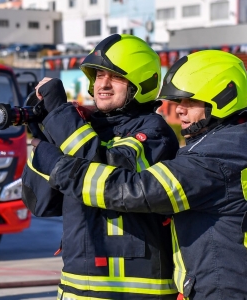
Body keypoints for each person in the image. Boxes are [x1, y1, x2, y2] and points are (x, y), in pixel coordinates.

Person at [31, 50, 247, 299]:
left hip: (230, 291)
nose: (179, 109)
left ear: (224, 98)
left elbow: (129, 191)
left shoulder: (214, 159)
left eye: (190, 100)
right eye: (177, 101)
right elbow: (43, 203)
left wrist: (57, 163)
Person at [23, 34, 180, 299]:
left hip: (135, 291)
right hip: (76, 288)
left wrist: (60, 115)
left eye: (115, 77)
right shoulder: (83, 132)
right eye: (97, 76)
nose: (102, 84)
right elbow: (41, 204)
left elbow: (105, 170)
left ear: (141, 81)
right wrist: (46, 134)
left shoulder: (155, 133)